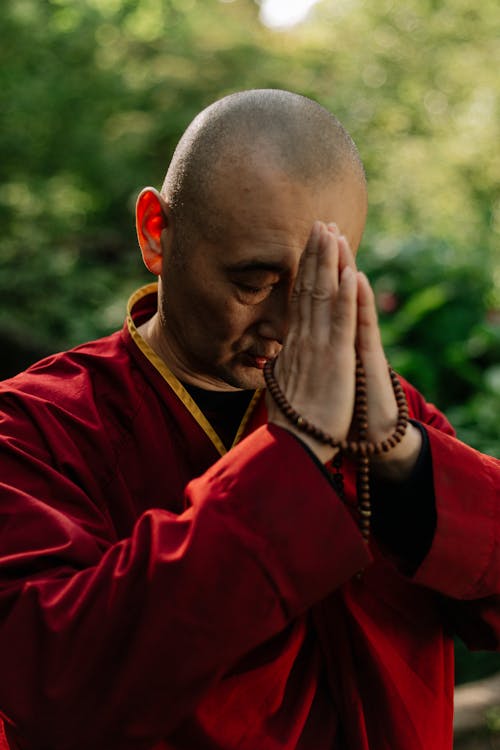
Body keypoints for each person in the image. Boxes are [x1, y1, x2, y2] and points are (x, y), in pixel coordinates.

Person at [0, 89, 498, 750]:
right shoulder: (36, 427)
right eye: (255, 281)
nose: (290, 328)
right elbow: (51, 686)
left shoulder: (384, 415)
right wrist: (289, 458)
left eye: (322, 283)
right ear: (156, 232)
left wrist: (402, 455)